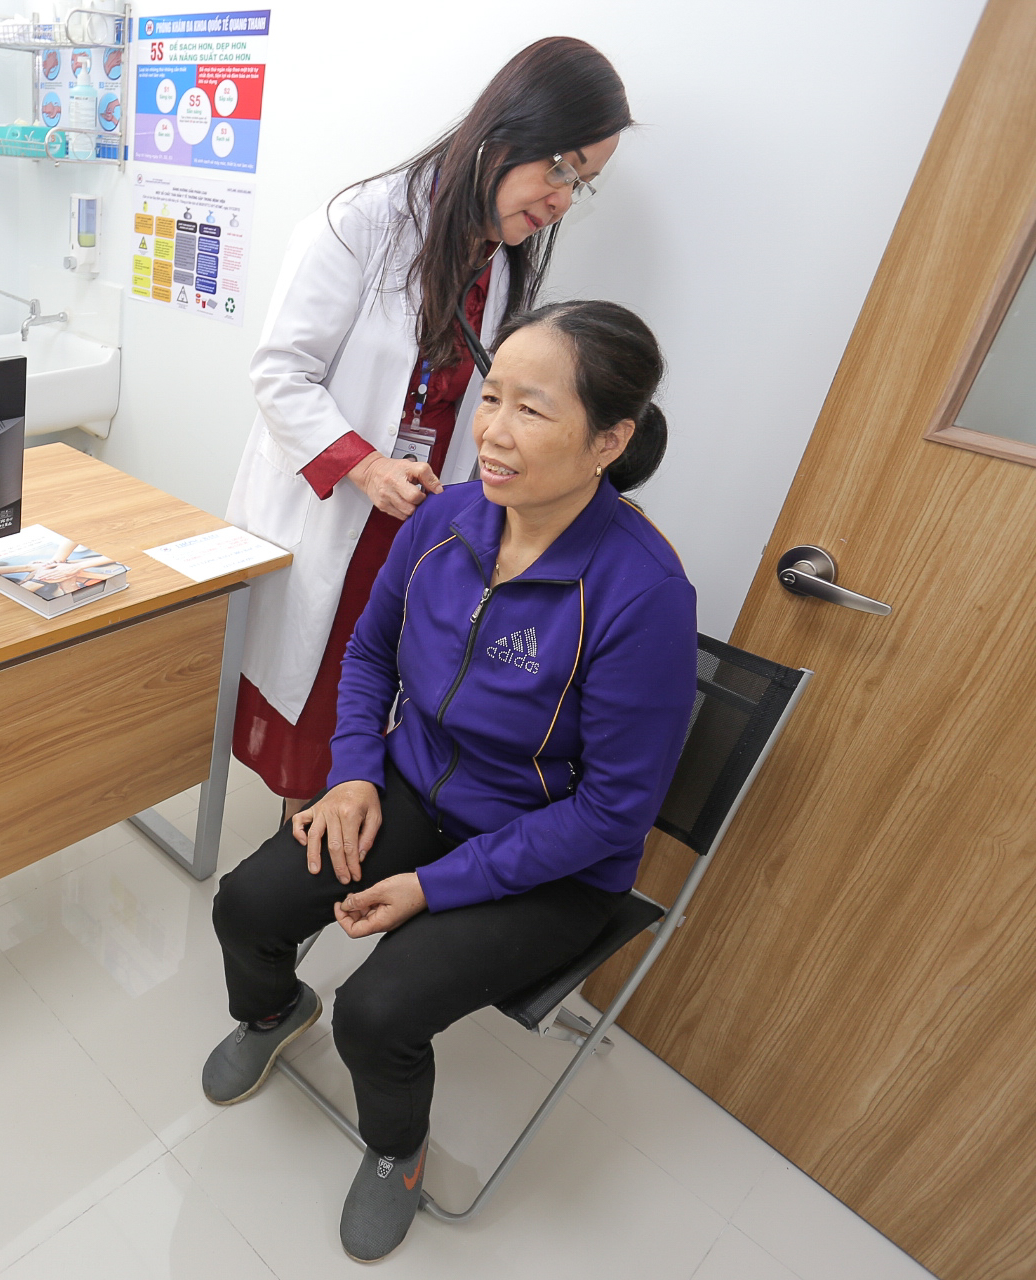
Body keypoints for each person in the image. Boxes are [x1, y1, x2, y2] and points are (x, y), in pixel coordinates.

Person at [204, 301, 696, 1262]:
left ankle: (398, 1152)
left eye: (532, 409)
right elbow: (368, 655)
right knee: (249, 905)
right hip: (417, 789)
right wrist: (355, 775)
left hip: (555, 860)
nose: (493, 432)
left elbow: (612, 813)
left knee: (378, 1014)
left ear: (610, 440)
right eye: (493, 398)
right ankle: (274, 1010)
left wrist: (433, 887)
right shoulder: (443, 519)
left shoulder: (643, 594)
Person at [226, 37, 633, 823]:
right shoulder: (363, 222)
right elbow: (280, 372)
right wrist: (367, 466)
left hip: (426, 518)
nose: (561, 201)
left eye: (581, 185)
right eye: (562, 168)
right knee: (322, 698)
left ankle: (340, 839)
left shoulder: (502, 259)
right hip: (340, 505)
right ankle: (304, 854)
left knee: (390, 698)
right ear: (508, 130)